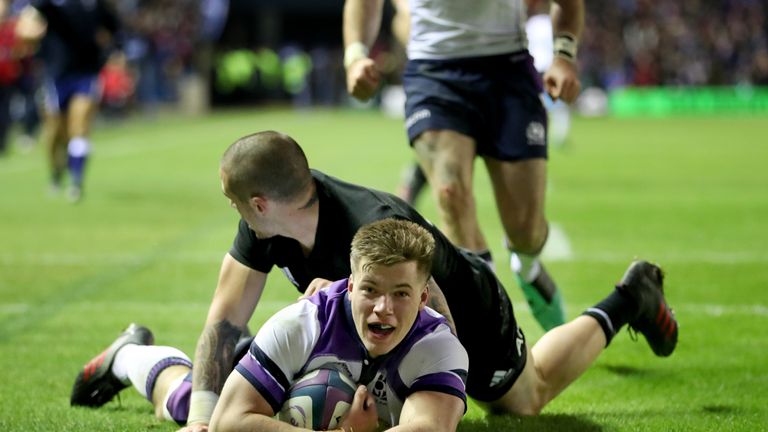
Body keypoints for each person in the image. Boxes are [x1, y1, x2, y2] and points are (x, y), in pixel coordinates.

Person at [70, 131, 678, 430]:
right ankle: (135, 358)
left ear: (259, 202)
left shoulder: (376, 232)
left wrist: (420, 401)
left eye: (234, 203)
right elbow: (225, 321)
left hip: (462, 309)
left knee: (524, 399)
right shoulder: (266, 223)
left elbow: (437, 332)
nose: (234, 215)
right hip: (359, 334)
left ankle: (630, 298)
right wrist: (204, 421)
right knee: (232, 406)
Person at [71, 219, 470, 432]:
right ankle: (129, 356)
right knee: (186, 407)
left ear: (422, 299)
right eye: (370, 290)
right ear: (349, 286)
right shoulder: (303, 323)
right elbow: (230, 423)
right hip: (282, 380)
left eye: (401, 294)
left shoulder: (438, 348)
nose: (384, 309)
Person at [344, 0, 585, 331]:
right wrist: (355, 55)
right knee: (450, 195)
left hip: (508, 68)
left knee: (526, 231)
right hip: (434, 72)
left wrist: (563, 55)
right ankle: (490, 327)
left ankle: (527, 266)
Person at [15, 0, 120, 201]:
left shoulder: (95, 4)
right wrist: (29, 31)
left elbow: (113, 28)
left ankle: (76, 181)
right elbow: (28, 21)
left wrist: (111, 52)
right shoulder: (53, 4)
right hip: (57, 75)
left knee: (79, 126)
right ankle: (56, 172)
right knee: (55, 132)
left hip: (86, 73)